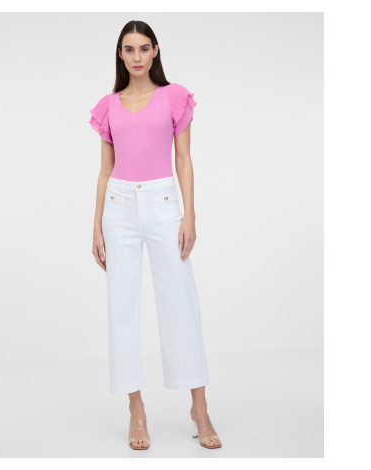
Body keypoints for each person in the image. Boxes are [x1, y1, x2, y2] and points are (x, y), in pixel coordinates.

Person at [90, 20, 222, 450]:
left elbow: (184, 160)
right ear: (120, 54)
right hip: (119, 207)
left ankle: (199, 409)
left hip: (164, 204)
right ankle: (136, 409)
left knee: (181, 302)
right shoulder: (109, 106)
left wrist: (190, 214)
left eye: (144, 48)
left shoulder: (173, 97)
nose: (137, 56)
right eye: (129, 49)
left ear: (156, 50)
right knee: (122, 307)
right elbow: (105, 170)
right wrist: (96, 224)